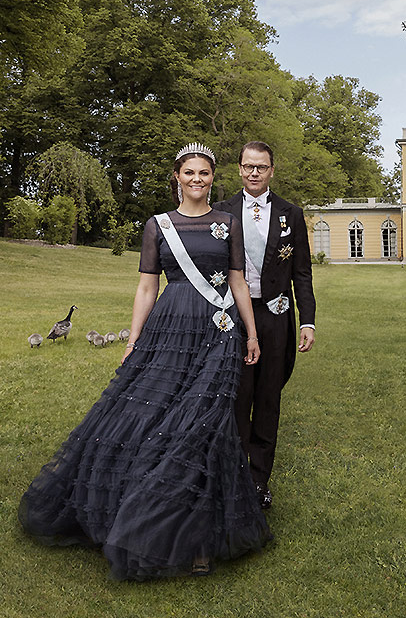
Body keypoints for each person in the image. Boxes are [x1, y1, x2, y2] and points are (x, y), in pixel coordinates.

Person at [18, 143, 272, 580]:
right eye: (189, 172)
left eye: (205, 173)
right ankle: (135, 513)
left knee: (204, 423)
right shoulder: (158, 226)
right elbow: (145, 288)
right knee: (149, 416)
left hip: (218, 332)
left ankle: (196, 538)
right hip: (169, 330)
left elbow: (237, 280)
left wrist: (250, 332)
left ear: (213, 178)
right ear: (176, 177)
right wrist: (134, 338)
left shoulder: (228, 223)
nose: (197, 179)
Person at [213, 141, 315, 509]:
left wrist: (308, 321)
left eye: (261, 167)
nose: (254, 172)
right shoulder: (221, 212)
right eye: (248, 166)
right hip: (235, 317)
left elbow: (302, 272)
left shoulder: (292, 213)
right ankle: (237, 474)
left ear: (272, 170)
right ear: (239, 169)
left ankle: (259, 481)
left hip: (276, 317)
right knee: (237, 398)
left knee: (268, 399)